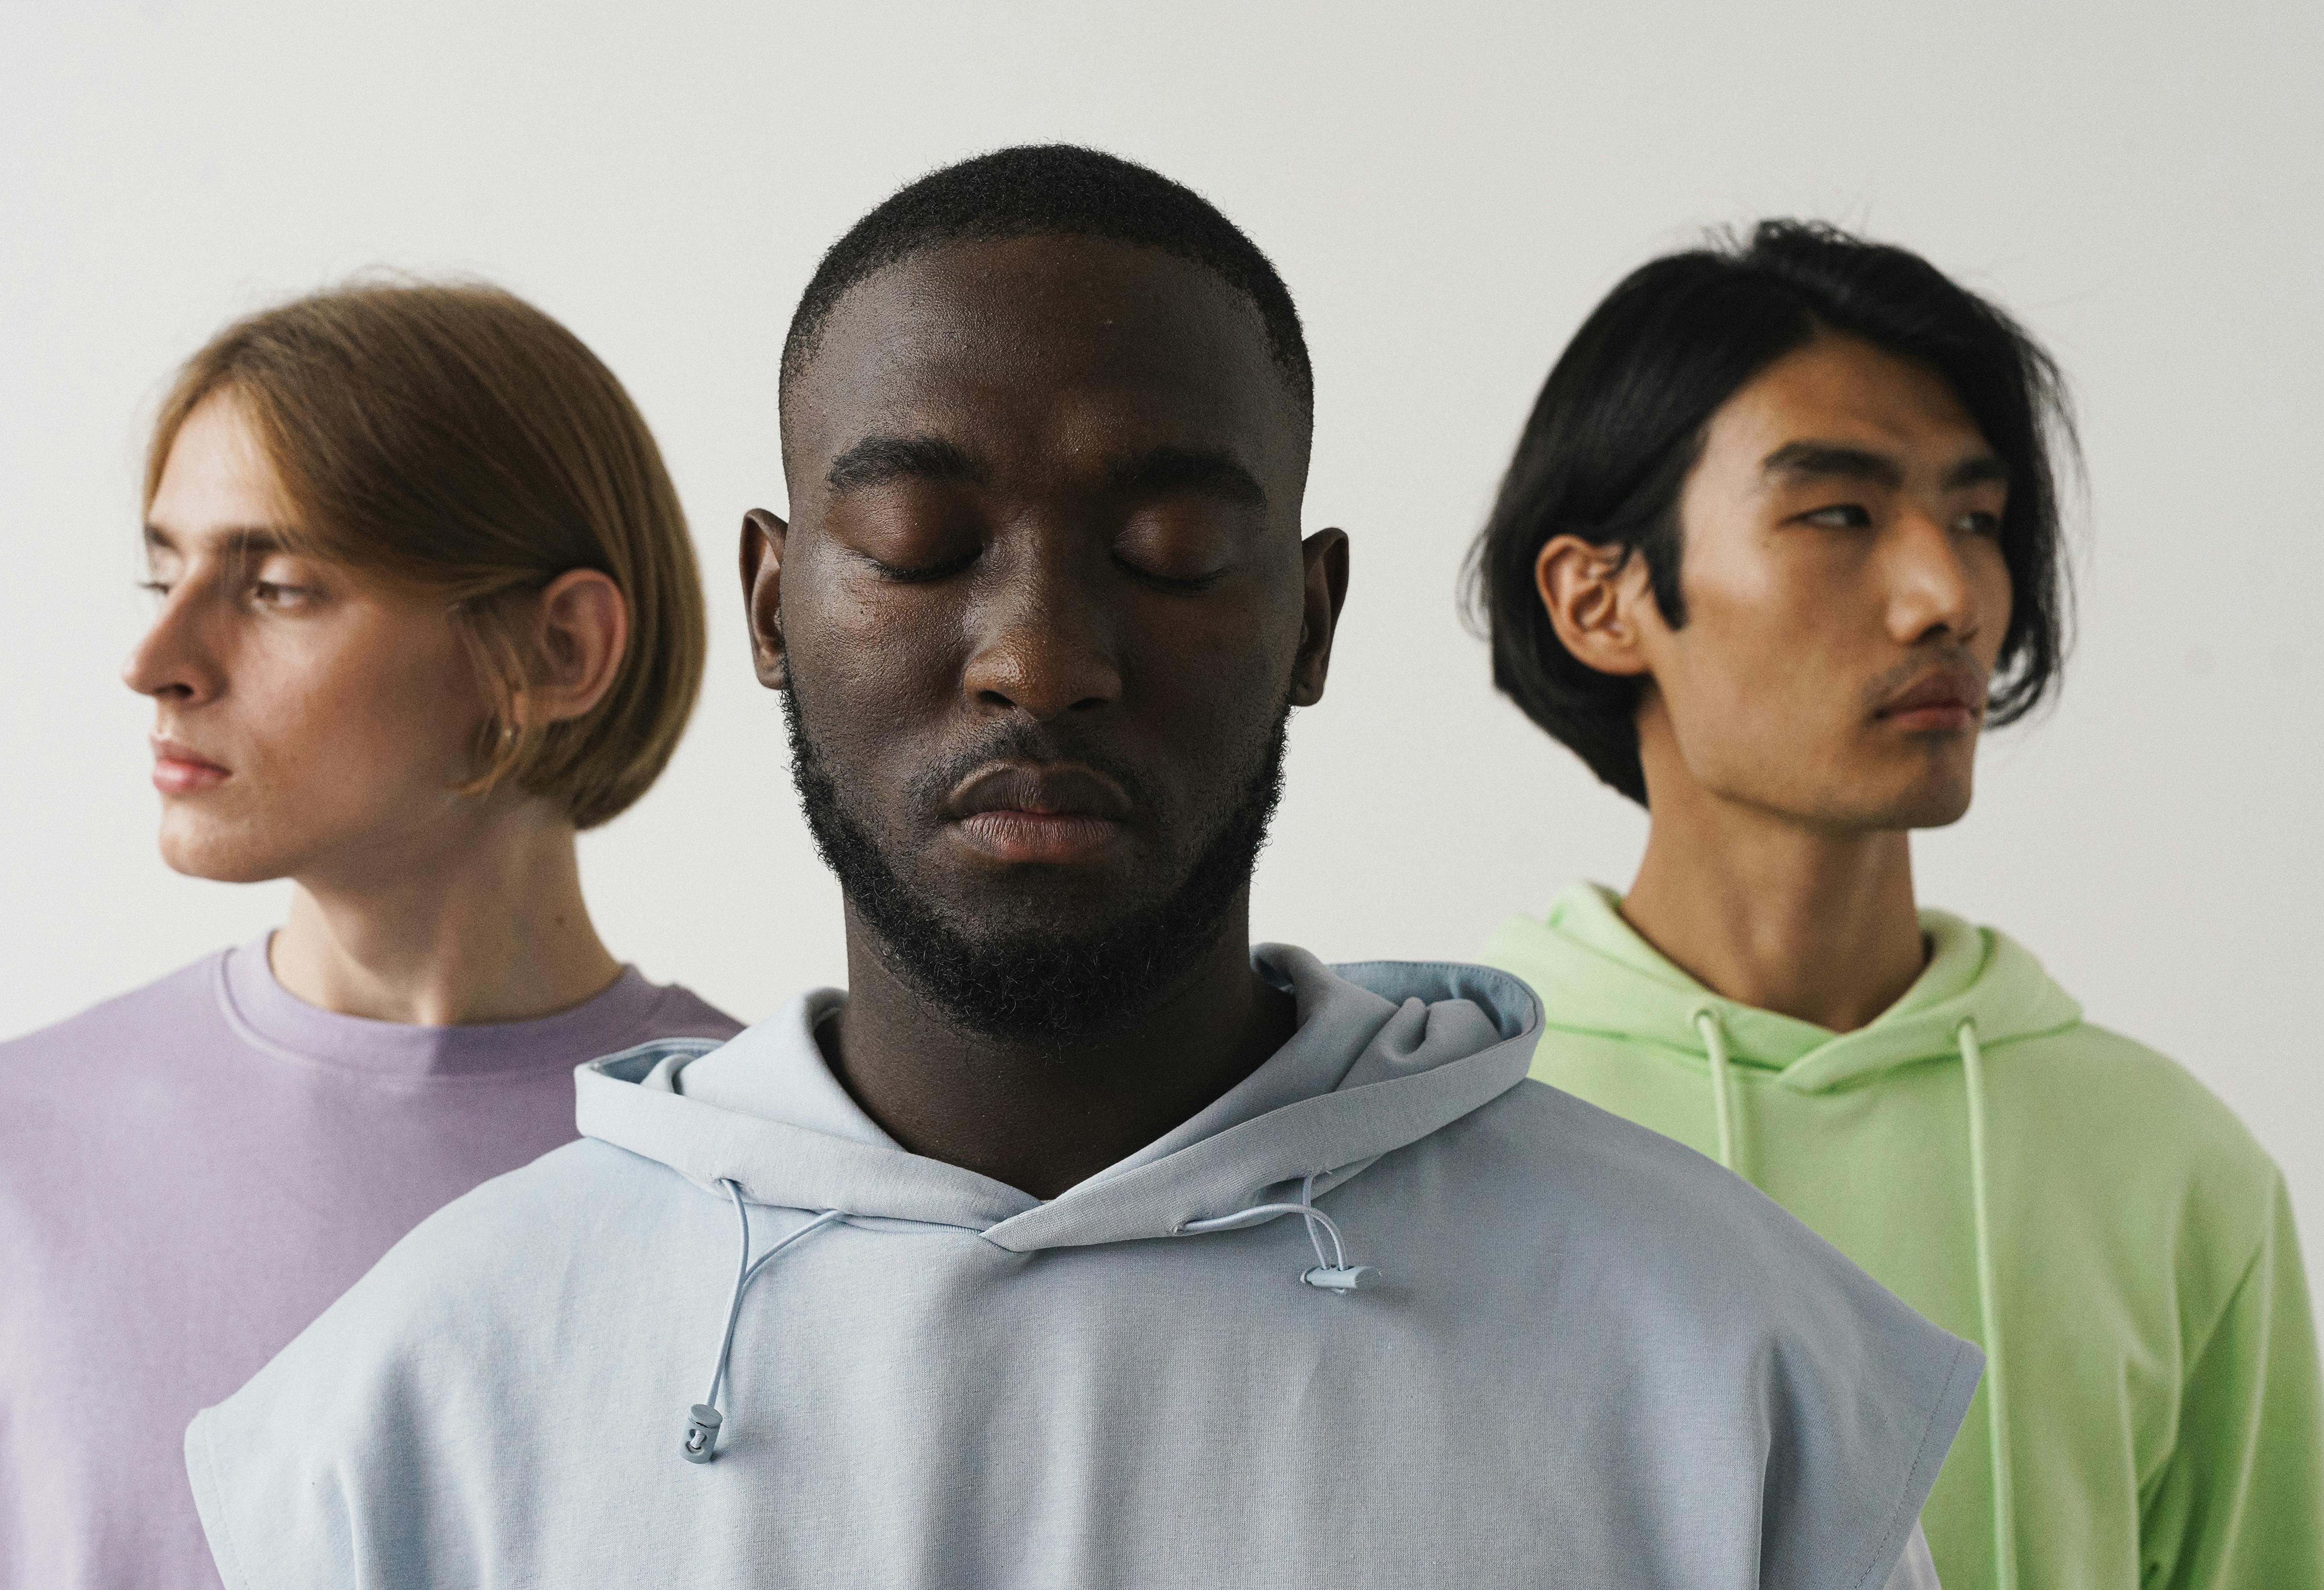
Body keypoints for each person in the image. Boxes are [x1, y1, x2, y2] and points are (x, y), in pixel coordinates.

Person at [183, 149, 1966, 1589]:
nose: (1038, 653)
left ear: (1308, 617)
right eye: (914, 542)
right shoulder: (421, 1395)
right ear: (770, 607)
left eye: (1171, 549)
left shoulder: (1721, 1359)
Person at [1471, 222, 2322, 1588]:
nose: (1948, 596)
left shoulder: (2171, 1167)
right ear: (1598, 597)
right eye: (1838, 514)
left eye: (1977, 521)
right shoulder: (1449, 1127)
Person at [0, 283, 740, 1590]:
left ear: (558, 648)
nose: (156, 655)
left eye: (273, 586)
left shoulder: (773, 1175)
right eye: (164, 572)